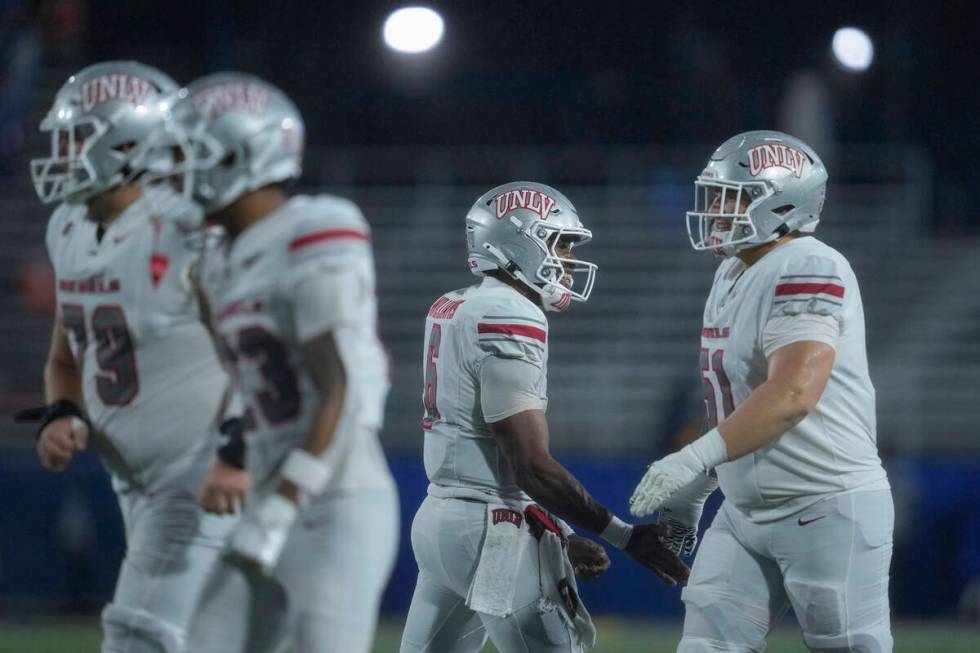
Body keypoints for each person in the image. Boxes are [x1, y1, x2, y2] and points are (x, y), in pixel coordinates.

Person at [630, 131, 894, 652]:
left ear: (781, 202)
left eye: (734, 196)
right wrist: (701, 483)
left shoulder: (809, 264)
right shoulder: (732, 270)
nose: (718, 208)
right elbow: (737, 400)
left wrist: (690, 458)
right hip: (745, 511)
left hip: (825, 504)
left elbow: (793, 393)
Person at [400, 181, 690, 652]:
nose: (570, 261)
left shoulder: (455, 304)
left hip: (440, 522)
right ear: (518, 242)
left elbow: (498, 462)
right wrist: (625, 536)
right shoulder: (509, 313)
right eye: (561, 243)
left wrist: (560, 533)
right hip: (488, 533)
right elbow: (529, 465)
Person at [172, 72, 399, 653]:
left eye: (191, 153)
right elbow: (246, 386)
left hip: (335, 502)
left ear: (240, 154)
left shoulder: (312, 229)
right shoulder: (217, 259)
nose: (178, 172)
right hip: (269, 491)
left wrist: (283, 507)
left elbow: (341, 385)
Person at [19, 60, 237, 652]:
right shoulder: (67, 224)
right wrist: (62, 412)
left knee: (138, 634)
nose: (60, 154)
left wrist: (237, 449)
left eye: (73, 139)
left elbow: (258, 351)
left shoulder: (187, 225)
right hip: (133, 480)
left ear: (126, 142)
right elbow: (66, 357)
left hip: (201, 470)